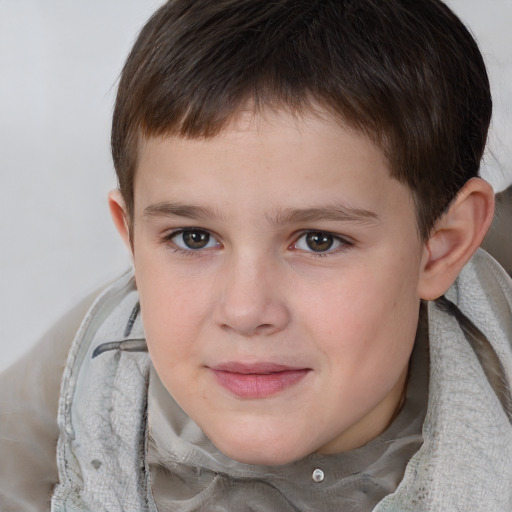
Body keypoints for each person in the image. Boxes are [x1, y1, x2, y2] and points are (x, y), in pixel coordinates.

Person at [1, 0, 511, 510]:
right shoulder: (87, 364)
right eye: (194, 238)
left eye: (318, 240)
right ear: (132, 239)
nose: (245, 311)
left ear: (441, 248)